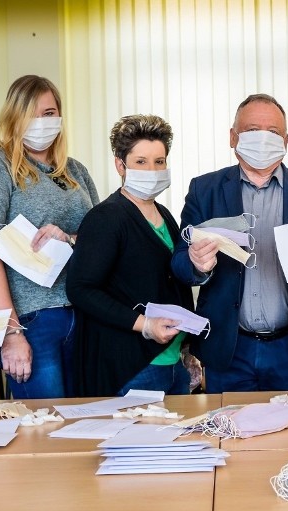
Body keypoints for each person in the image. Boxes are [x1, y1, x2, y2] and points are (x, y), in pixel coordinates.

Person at [171, 93, 288, 393]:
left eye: (273, 133)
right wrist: (195, 263)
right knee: (228, 437)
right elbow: (179, 261)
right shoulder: (204, 189)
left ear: (286, 141)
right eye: (253, 130)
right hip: (229, 347)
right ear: (233, 137)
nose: (263, 139)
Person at [0, 75, 99, 398]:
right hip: (31, 321)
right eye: (31, 113)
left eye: (50, 113)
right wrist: (11, 332)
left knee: (87, 422)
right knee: (45, 427)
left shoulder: (75, 170)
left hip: (83, 314)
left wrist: (70, 238)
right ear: (13, 116)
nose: (42, 121)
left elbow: (99, 237)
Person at [67, 115, 195, 396]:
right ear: (120, 165)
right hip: (134, 365)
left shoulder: (164, 215)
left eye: (159, 161)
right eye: (141, 161)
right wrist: (144, 325)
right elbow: (80, 289)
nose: (152, 169)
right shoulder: (107, 217)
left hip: (173, 359)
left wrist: (187, 348)